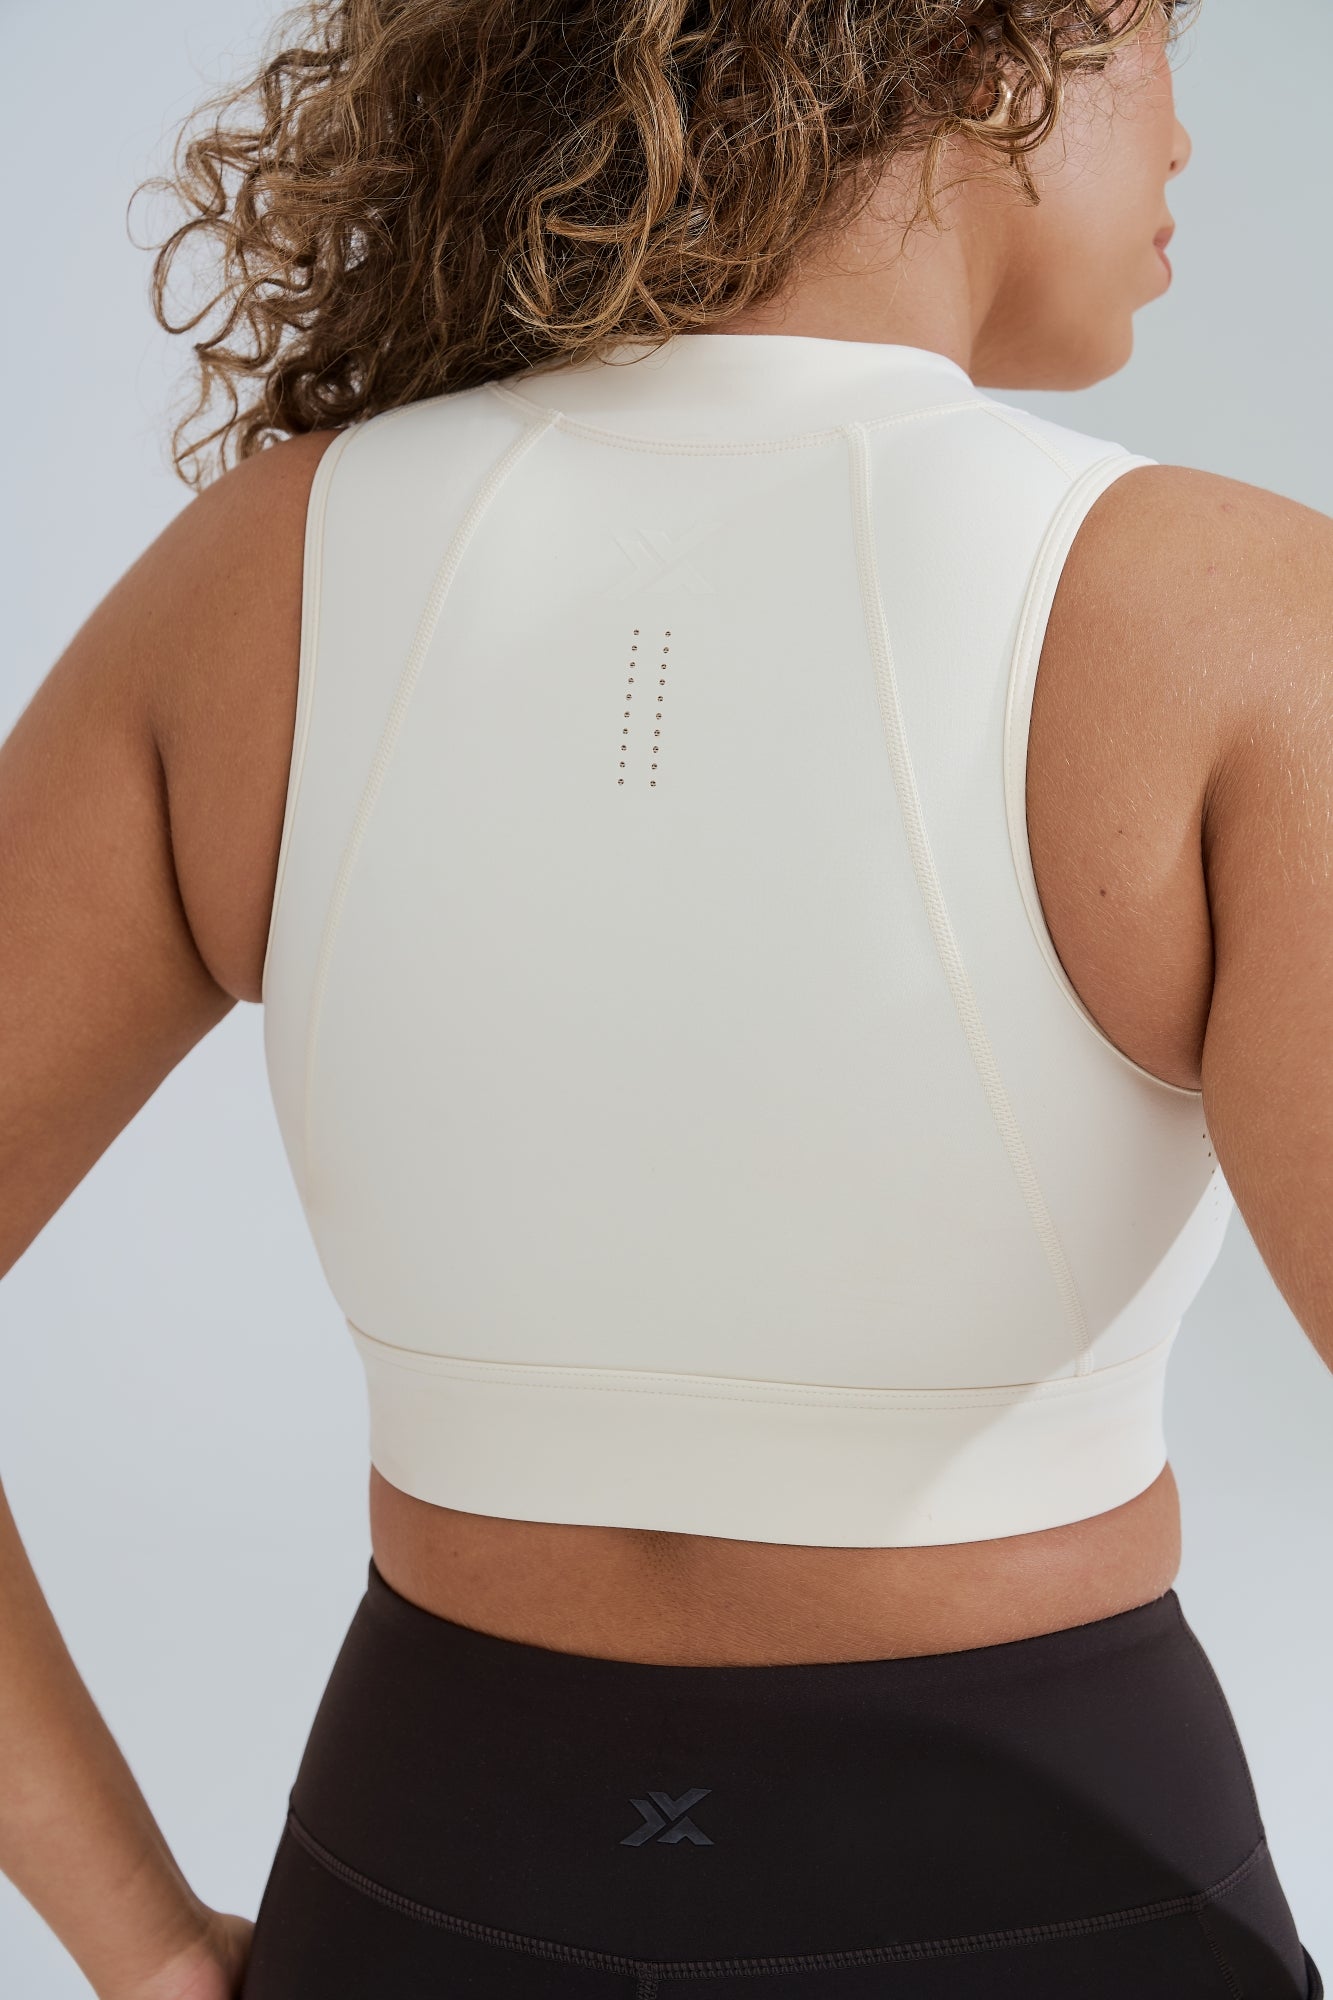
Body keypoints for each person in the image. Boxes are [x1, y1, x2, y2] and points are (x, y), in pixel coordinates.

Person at [0, 0, 1327, 1993]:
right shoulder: (1232, 621)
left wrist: (146, 1951)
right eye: (1148, 39)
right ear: (984, 54)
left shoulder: (258, 580)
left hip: (419, 1894)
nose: (1184, 143)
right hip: (1056, 1895)